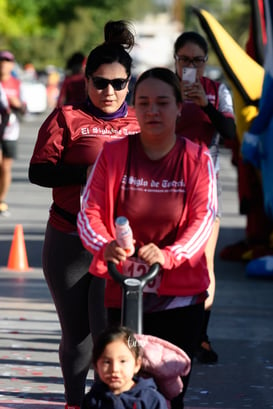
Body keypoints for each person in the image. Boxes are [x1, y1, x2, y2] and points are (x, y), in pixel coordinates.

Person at [77, 67, 218, 409]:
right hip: (121, 286)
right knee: (119, 386)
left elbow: (204, 218)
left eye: (162, 103)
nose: (153, 111)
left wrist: (170, 255)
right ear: (134, 108)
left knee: (170, 390)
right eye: (144, 103)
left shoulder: (197, 158)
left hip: (178, 293)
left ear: (179, 107)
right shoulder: (113, 154)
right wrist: (105, 245)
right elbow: (89, 211)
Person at [28, 20, 140, 409]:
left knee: (109, 333)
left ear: (130, 82)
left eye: (119, 83)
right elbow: (38, 171)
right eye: (100, 82)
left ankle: (111, 402)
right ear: (87, 80)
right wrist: (85, 173)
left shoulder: (140, 123)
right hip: (69, 240)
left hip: (118, 245)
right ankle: (75, 403)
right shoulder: (66, 118)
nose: (109, 92)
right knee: (77, 335)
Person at [173, 31, 236, 364]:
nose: (191, 67)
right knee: (167, 256)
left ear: (206, 62)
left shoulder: (216, 91)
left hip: (205, 184)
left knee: (203, 262)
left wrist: (205, 106)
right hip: (165, 182)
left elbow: (229, 133)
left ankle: (201, 336)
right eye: (185, 59)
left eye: (197, 60)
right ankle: (163, 330)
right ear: (175, 60)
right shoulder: (164, 88)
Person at [81, 326, 168, 409]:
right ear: (96, 365)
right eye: (107, 362)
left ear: (137, 365)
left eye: (122, 361)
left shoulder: (151, 400)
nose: (114, 369)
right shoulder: (93, 399)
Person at [0, 50, 27, 216]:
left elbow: (25, 109)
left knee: (5, 168)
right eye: (1, 60)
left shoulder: (17, 83)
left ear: (12, 64)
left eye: (7, 61)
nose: (4, 63)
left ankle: (1, 200)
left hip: (10, 131)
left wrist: (18, 105)